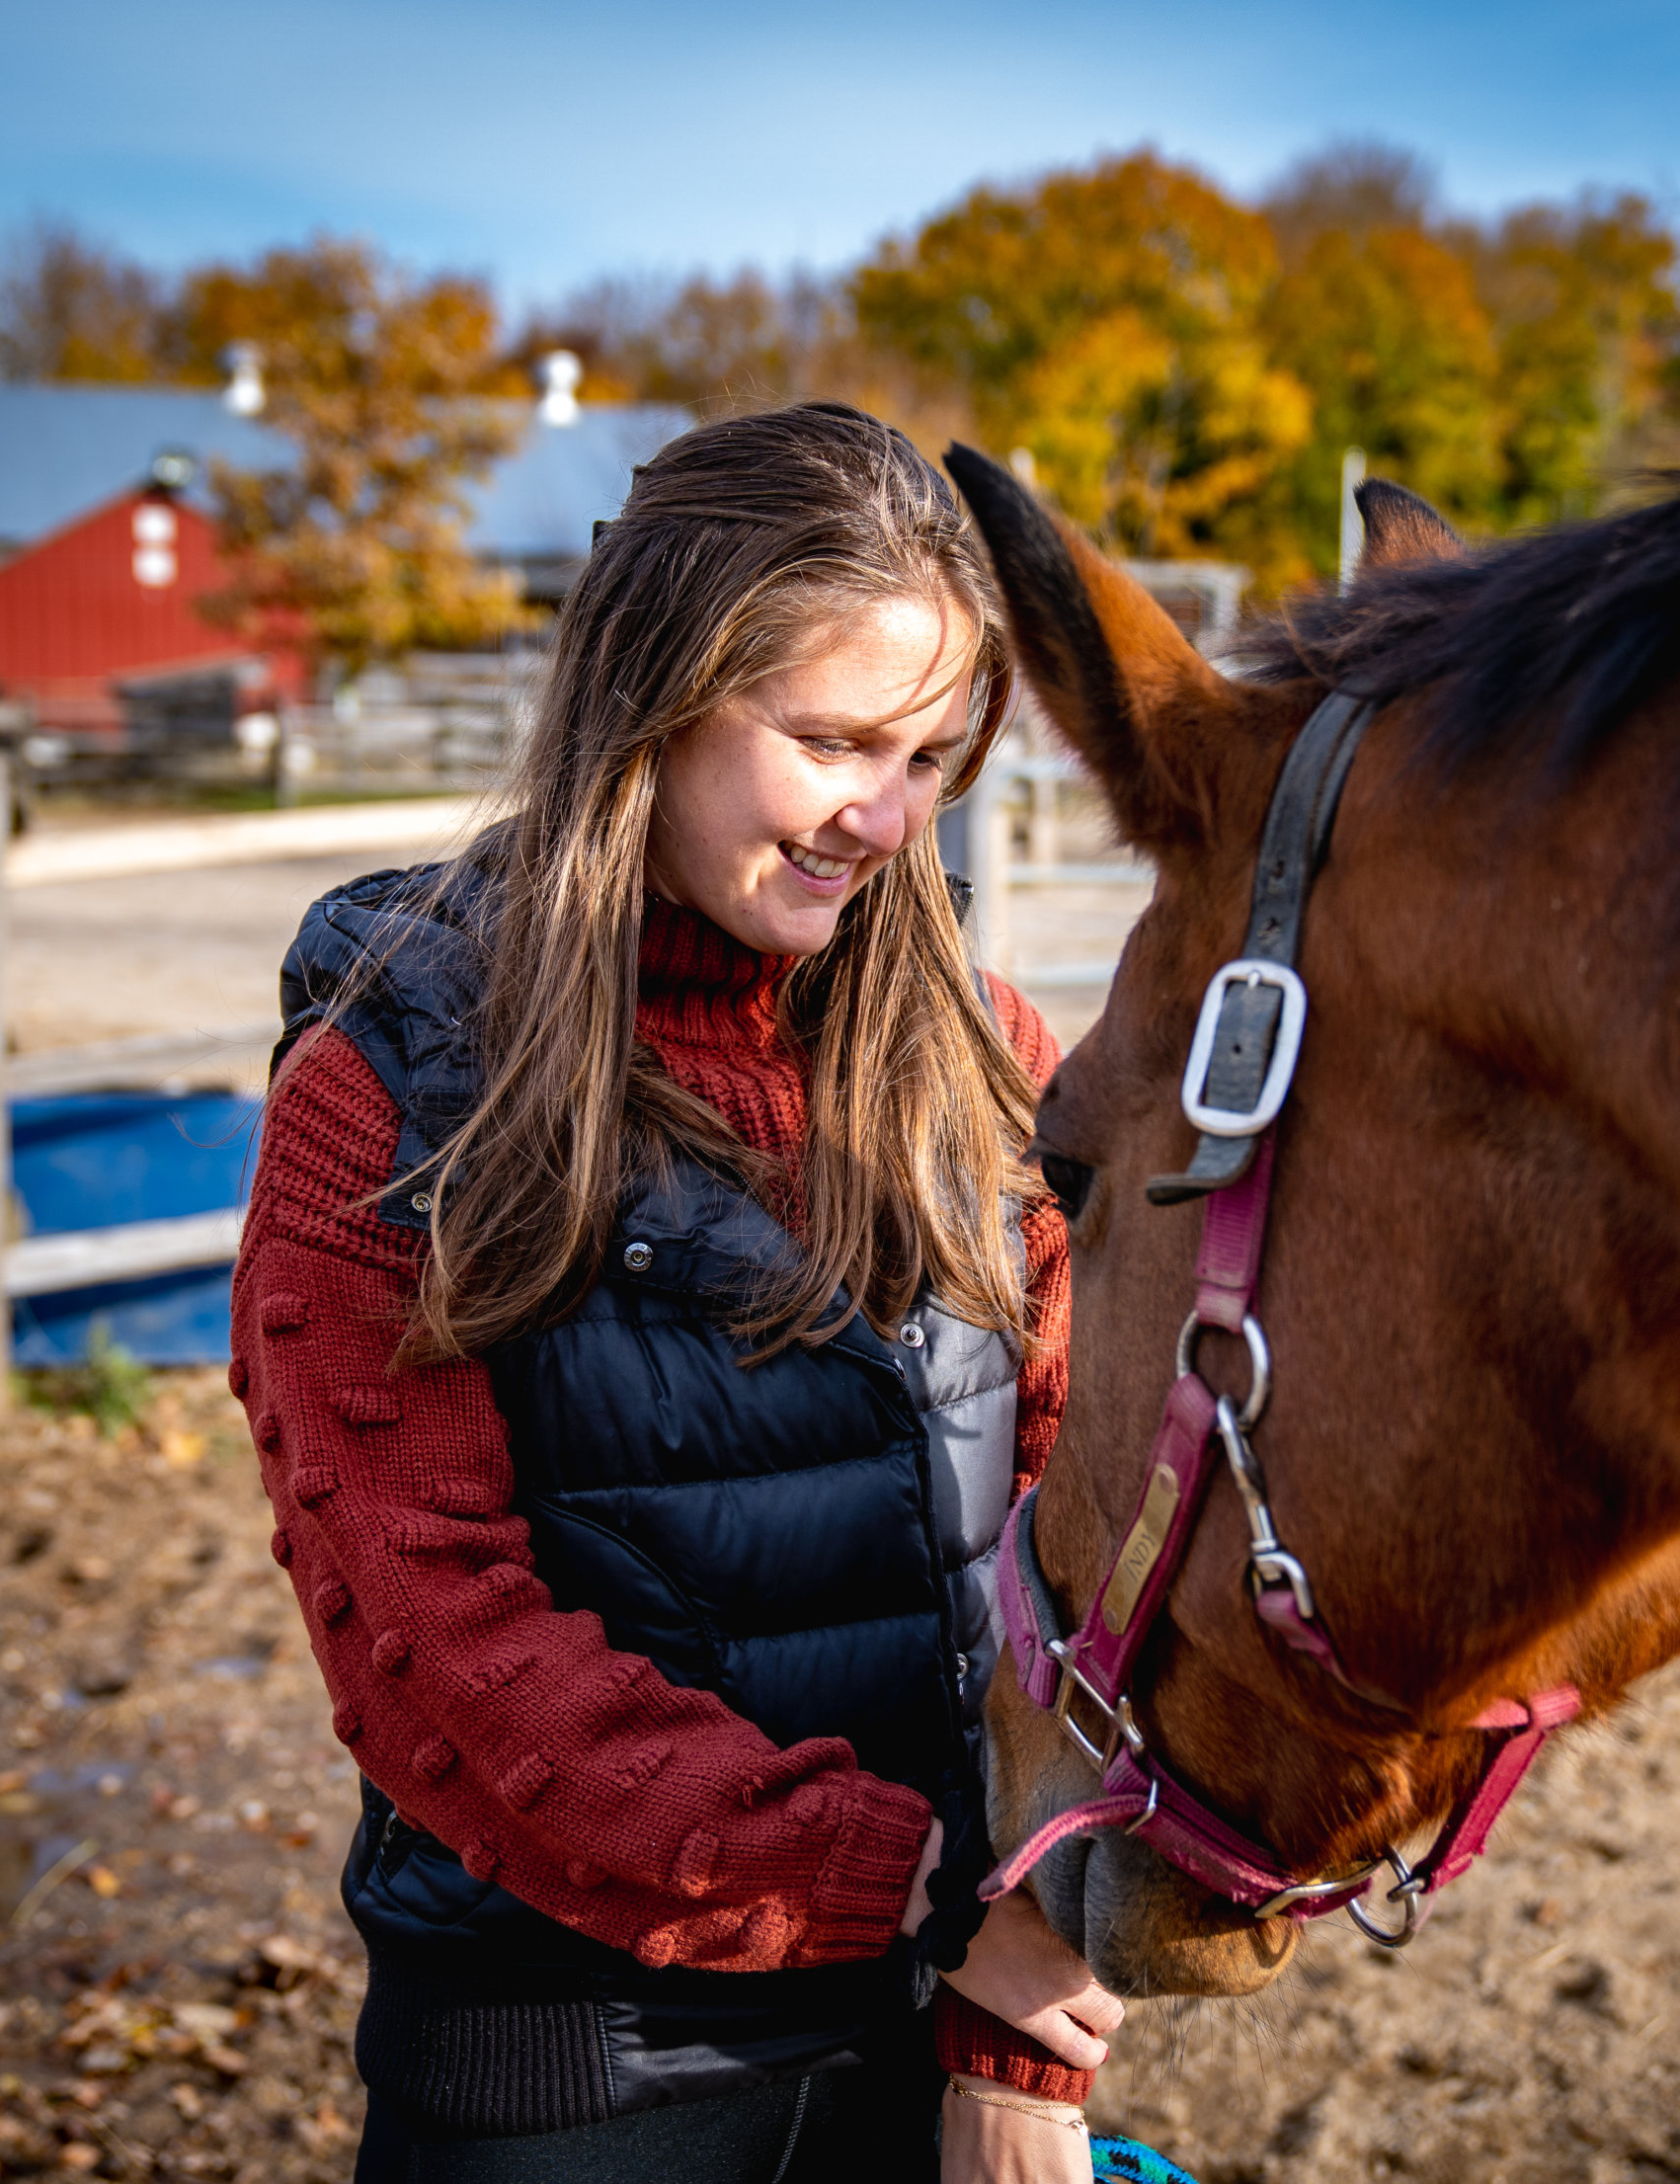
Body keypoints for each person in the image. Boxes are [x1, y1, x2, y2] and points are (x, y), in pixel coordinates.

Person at [229, 403, 1123, 2183]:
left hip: (940, 2043)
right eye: (834, 740)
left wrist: (1011, 2062)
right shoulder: (391, 1097)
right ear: (655, 692)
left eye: (935, 755)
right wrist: (926, 1896)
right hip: (574, 2072)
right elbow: (438, 1652)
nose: (889, 817)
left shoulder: (990, 1068)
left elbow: (1071, 1564)